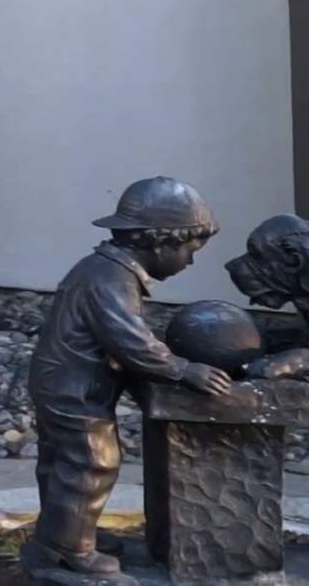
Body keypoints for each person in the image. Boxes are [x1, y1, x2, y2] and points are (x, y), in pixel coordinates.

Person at [22, 177, 230, 579]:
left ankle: (64, 531)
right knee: (92, 461)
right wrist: (184, 370)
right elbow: (130, 341)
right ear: (161, 242)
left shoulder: (105, 269)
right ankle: (68, 547)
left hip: (60, 380)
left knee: (60, 459)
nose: (189, 262)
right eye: (189, 250)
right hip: (75, 389)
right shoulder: (111, 278)